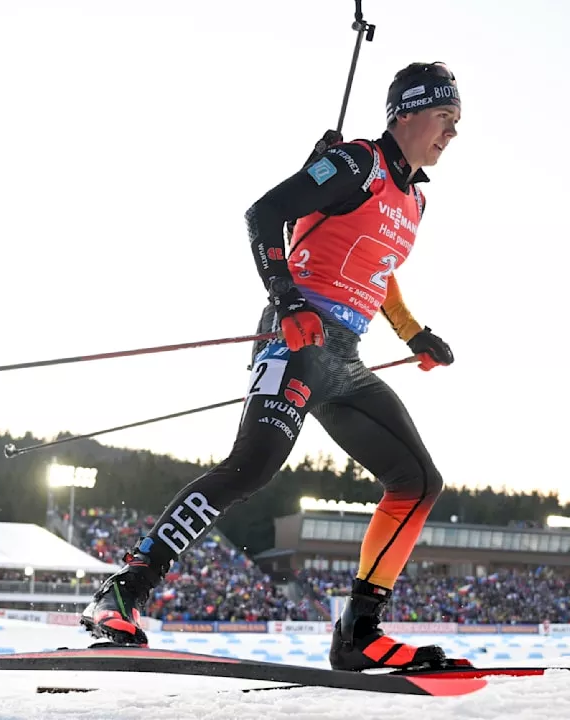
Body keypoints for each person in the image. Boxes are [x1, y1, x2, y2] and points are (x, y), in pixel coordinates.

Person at [81, 61, 461, 673]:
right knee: (249, 468)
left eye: (457, 123)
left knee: (417, 481)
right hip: (297, 334)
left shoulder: (416, 199)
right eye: (444, 118)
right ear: (406, 113)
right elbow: (264, 215)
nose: (451, 133)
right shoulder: (355, 163)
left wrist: (414, 332)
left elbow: (381, 269)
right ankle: (122, 592)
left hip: (345, 358)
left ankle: (358, 632)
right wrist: (287, 300)